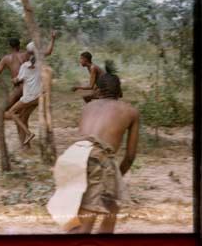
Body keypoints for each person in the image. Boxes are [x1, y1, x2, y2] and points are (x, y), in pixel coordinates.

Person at [47, 66, 139, 234]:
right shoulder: (130, 111)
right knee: (85, 223)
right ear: (120, 91)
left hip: (72, 157)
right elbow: (130, 156)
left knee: (110, 208)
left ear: (98, 90)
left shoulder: (88, 107)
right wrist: (115, 175)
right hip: (97, 159)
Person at [0, 32, 56, 146]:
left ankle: (20, 126)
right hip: (30, 90)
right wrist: (52, 39)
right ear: (19, 46)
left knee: (2, 114)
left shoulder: (6, 58)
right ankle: (25, 143)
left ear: (10, 47)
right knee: (23, 118)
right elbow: (47, 52)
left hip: (19, 90)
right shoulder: (27, 55)